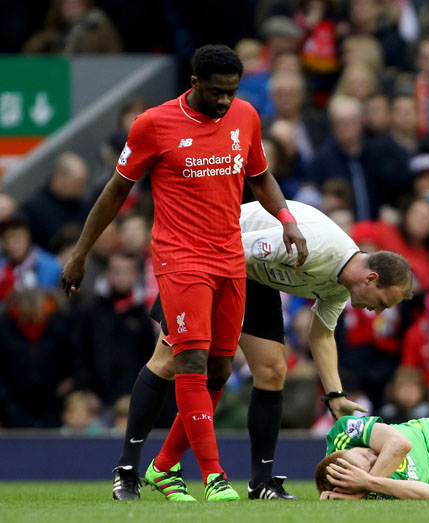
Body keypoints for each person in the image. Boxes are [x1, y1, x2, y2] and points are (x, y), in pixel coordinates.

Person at [60, 44, 308, 502]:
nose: (224, 101)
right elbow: (116, 191)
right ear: (194, 83)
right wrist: (80, 253)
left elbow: (260, 176)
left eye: (231, 92)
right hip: (180, 259)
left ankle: (158, 467)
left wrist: (287, 219)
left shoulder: (246, 116)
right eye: (216, 92)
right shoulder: (154, 124)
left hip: (230, 257)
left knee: (219, 368)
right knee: (188, 360)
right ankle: (212, 477)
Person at [111, 200, 413, 502]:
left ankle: (258, 481)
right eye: (383, 303)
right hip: (210, 256)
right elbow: (226, 250)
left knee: (272, 370)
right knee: (168, 362)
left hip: (254, 272)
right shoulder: (314, 246)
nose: (378, 311)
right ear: (371, 279)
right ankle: (127, 470)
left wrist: (335, 396)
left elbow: (321, 335)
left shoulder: (340, 285)